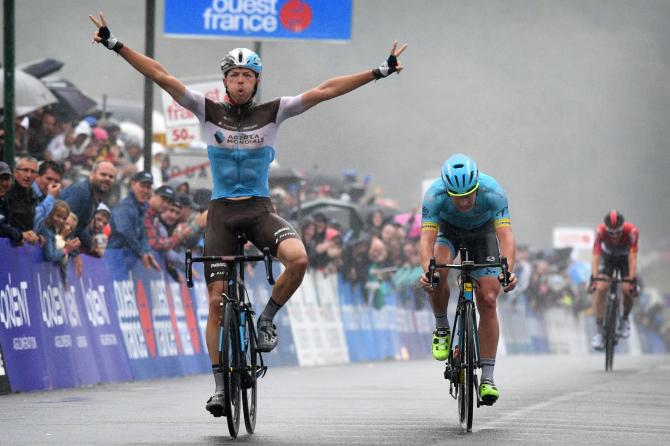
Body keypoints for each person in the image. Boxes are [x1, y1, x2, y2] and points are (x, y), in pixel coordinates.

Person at [89, 11, 407, 417]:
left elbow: (326, 90)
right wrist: (116, 44)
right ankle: (220, 387)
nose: (240, 82)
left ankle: (267, 319)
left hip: (259, 209)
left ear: (257, 82)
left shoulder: (274, 111)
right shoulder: (206, 110)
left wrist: (379, 71)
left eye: (248, 76)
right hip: (221, 212)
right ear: (225, 81)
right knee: (218, 301)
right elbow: (162, 76)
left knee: (299, 259)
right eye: (234, 76)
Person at [418, 153, 517, 406]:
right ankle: (442, 327)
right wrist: (427, 272)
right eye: (457, 197)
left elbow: (505, 237)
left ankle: (487, 377)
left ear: (477, 187)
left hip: (483, 236)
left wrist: (508, 271)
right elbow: (426, 240)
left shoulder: (493, 192)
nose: (463, 203)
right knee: (437, 273)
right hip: (449, 233)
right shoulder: (434, 195)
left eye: (469, 196)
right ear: (447, 191)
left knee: (489, 298)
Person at [589, 210, 639, 349]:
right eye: (611, 233)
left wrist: (632, 279)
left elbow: (633, 257)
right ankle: (599, 331)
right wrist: (594, 277)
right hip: (608, 256)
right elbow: (596, 255)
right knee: (601, 288)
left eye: (618, 232)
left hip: (625, 257)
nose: (615, 235)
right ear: (606, 229)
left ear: (623, 227)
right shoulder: (599, 231)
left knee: (627, 289)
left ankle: (624, 319)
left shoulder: (632, 231)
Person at [107, 171, 161, 271]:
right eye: (142, 185)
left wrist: (147, 252)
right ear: (133, 184)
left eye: (148, 187)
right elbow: (125, 232)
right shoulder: (125, 207)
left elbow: (143, 235)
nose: (145, 190)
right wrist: (142, 253)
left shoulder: (142, 208)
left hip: (126, 263)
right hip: (112, 260)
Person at [4, 156, 40, 245]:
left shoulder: (33, 195)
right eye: (25, 170)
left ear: (36, 176)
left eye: (32, 172)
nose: (28, 175)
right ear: (15, 172)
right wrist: (21, 234)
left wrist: (37, 235)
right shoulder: (5, 192)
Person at [32, 160, 64, 229]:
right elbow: (31, 219)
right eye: (49, 179)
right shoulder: (27, 190)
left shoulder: (46, 195)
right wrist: (51, 197)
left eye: (56, 181)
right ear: (37, 176)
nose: (52, 184)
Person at [0, 161, 23, 244]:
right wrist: (18, 234)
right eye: (0, 178)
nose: (3, 183)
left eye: (6, 178)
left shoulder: (4, 200)